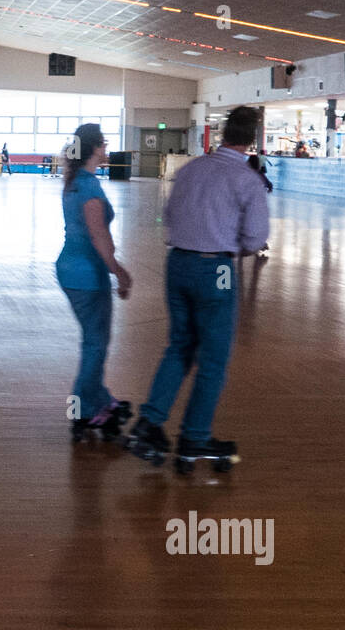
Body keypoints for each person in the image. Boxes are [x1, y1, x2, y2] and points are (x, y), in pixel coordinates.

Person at [129, 105, 269, 472]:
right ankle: (193, 436)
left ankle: (149, 423)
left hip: (178, 263)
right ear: (251, 139)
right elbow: (256, 239)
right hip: (216, 268)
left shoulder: (191, 169)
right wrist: (228, 246)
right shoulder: (248, 181)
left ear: (223, 133)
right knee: (213, 359)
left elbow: (170, 215)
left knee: (179, 346)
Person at [56, 124, 133, 442]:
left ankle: (100, 401)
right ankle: (82, 412)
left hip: (71, 269)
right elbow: (99, 236)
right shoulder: (89, 188)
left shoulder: (75, 182)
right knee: (95, 345)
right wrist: (118, 270)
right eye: (103, 144)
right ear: (94, 149)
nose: (106, 149)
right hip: (88, 275)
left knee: (93, 342)